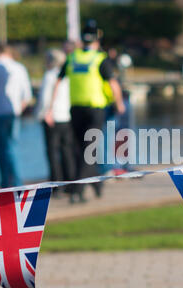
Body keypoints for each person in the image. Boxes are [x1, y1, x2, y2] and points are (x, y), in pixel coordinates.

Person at [49, 20, 125, 203]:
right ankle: (81, 188)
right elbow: (113, 84)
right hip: (95, 110)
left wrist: (50, 107)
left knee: (81, 149)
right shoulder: (100, 59)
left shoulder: (72, 57)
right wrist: (120, 103)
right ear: (97, 39)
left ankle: (87, 186)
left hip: (75, 109)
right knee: (87, 150)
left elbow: (58, 82)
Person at [0, 44, 33, 188]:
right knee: (12, 147)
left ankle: (8, 184)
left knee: (3, 150)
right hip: (13, 114)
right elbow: (27, 96)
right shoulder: (20, 68)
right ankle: (15, 182)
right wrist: (17, 110)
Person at [37, 49, 75, 198]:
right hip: (66, 117)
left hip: (52, 117)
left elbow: (45, 98)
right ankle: (70, 183)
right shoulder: (68, 76)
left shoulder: (50, 75)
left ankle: (56, 184)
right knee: (67, 151)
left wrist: (45, 113)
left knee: (52, 152)